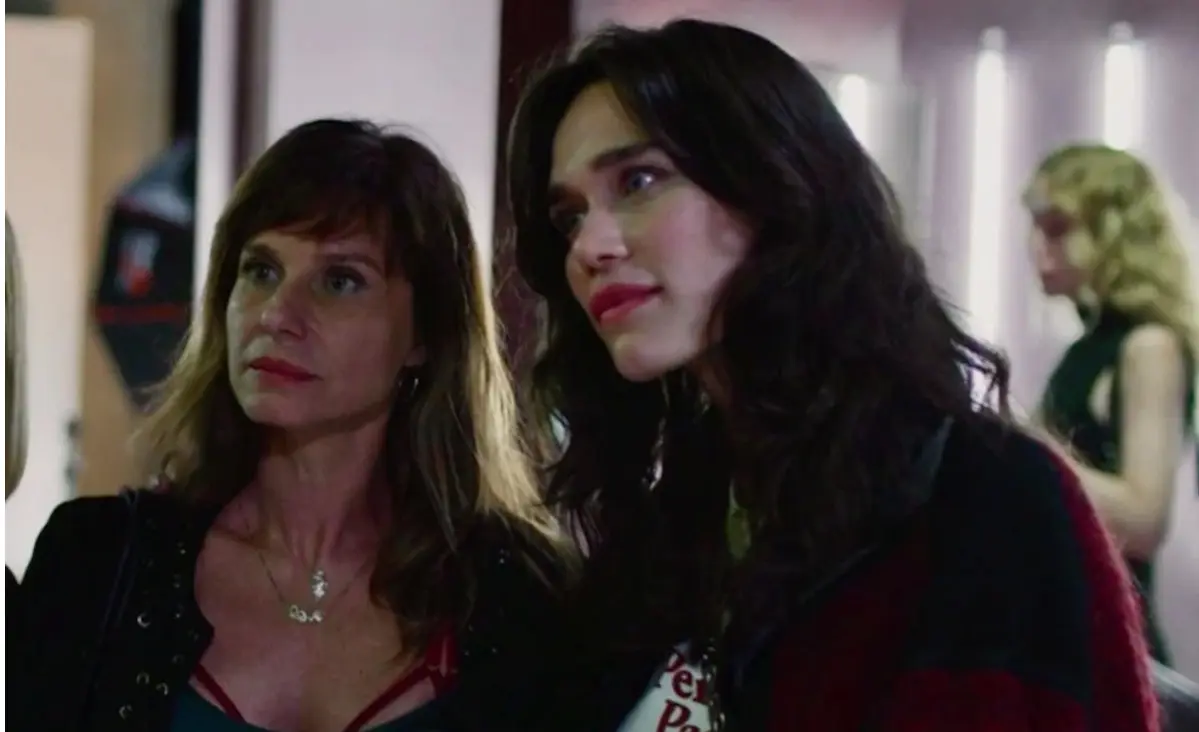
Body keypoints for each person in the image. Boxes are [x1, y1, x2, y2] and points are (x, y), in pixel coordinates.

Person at [504, 20, 1157, 731]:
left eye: (638, 181)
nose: (589, 247)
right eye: (569, 217)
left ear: (774, 183)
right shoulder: (683, 512)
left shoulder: (983, 500)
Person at [13, 119, 575, 732]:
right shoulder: (97, 563)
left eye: (340, 281)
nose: (277, 314)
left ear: (425, 335)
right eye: (260, 270)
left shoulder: (518, 595)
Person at [1025, 144, 1195, 666]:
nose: (1035, 247)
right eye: (1035, 227)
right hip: (1077, 624)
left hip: (1113, 638)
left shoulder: (1149, 347)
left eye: (1057, 229)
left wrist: (1025, 446)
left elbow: (1143, 520)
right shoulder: (1087, 349)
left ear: (1113, 232)